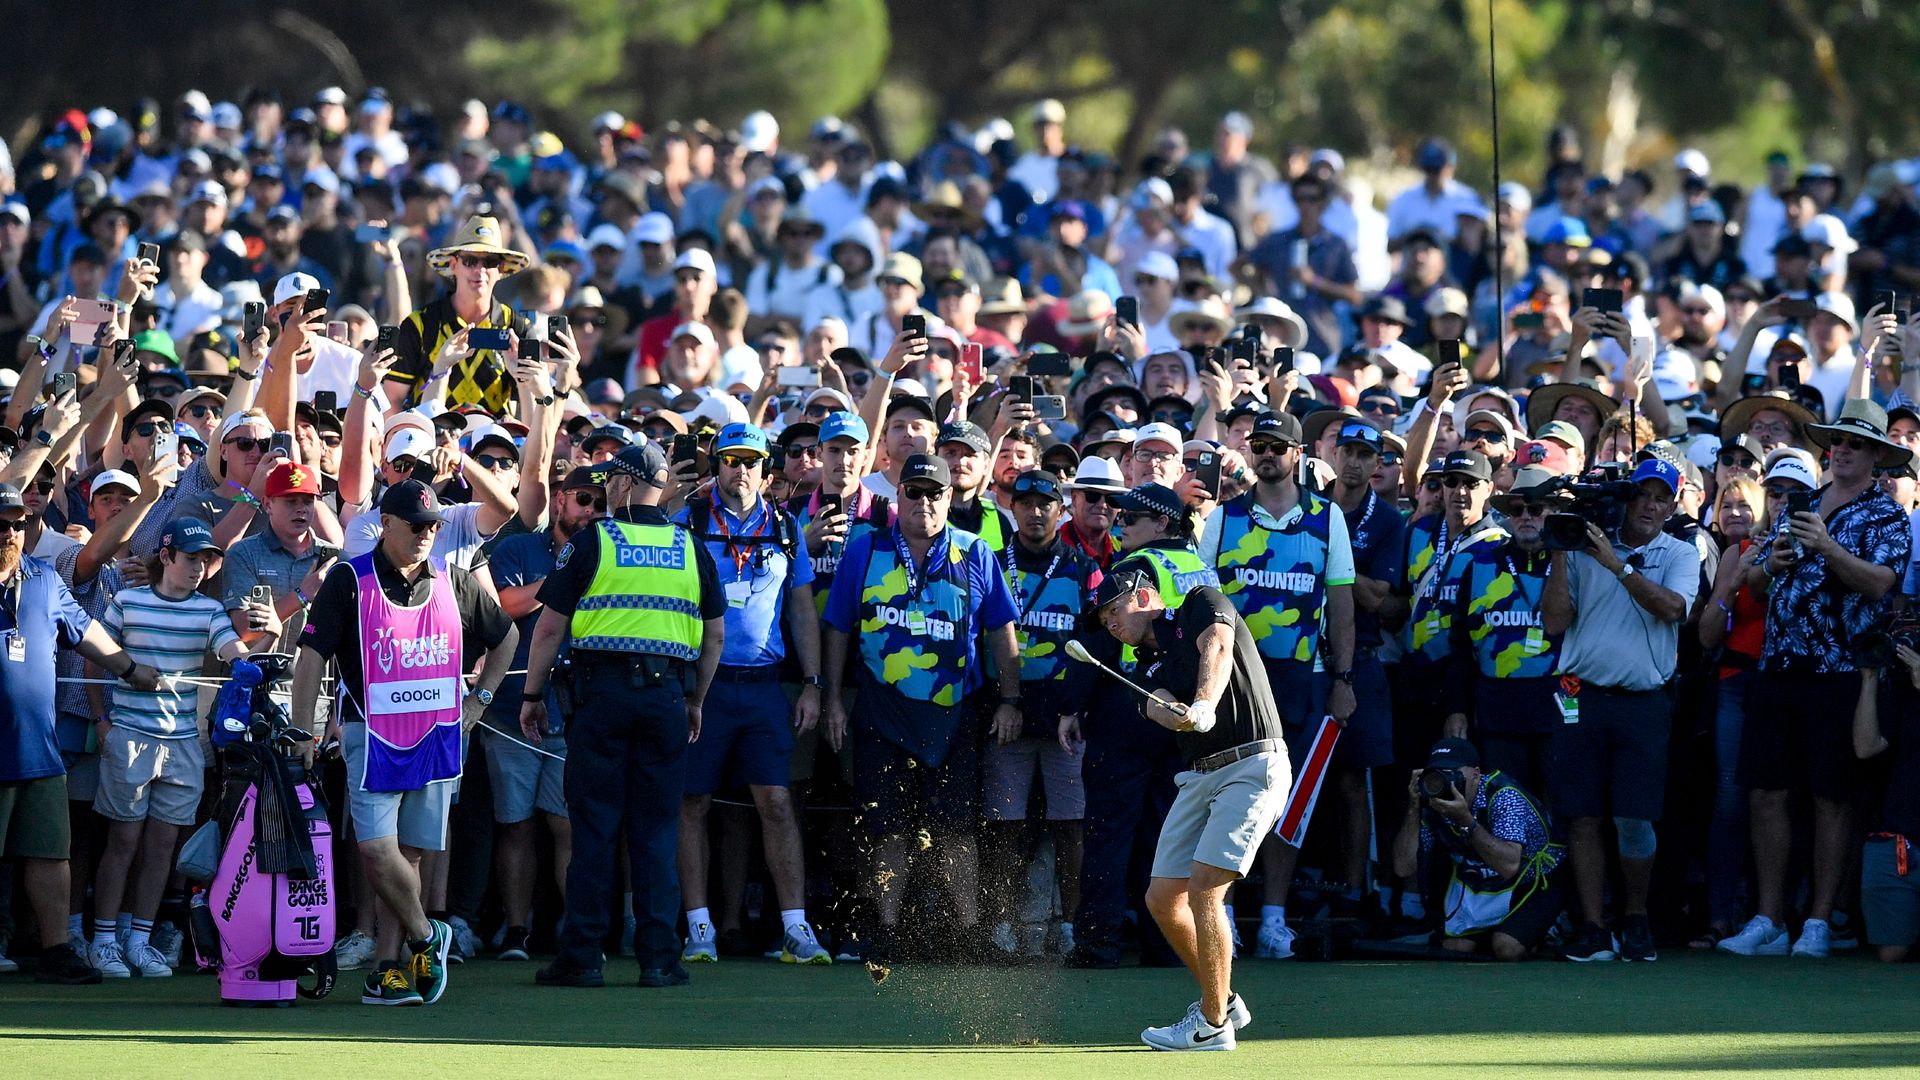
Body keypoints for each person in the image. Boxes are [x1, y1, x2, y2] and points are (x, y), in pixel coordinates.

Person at [291, 480, 518, 1006]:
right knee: (376, 849)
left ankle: (385, 970)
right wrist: (303, 729)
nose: (425, 534)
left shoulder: (453, 580)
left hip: (436, 736)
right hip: (371, 737)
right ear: (386, 524)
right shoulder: (349, 577)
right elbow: (311, 656)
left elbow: (506, 635)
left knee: (409, 856)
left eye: (433, 526)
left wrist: (480, 701)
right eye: (415, 525)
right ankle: (426, 934)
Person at [518, 442, 725, 989]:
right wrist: (695, 700)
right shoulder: (690, 546)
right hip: (665, 700)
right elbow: (714, 635)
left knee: (593, 829)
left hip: (602, 698)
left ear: (627, 484)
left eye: (611, 479)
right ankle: (659, 959)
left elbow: (549, 627)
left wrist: (532, 695)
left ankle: (583, 957)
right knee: (656, 832)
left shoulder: (594, 541)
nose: (605, 488)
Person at [1723, 399, 1912, 958]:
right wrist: (1768, 566)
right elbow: (1759, 588)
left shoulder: (1887, 515)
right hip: (1780, 665)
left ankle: (1819, 921)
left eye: (1857, 443)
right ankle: (1768, 918)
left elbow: (1880, 584)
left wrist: (1827, 546)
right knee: (1766, 793)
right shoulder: (1800, 503)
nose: (1844, 449)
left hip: (1841, 672)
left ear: (1877, 455)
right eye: (1839, 441)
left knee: (1834, 799)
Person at [820, 453, 1020, 969]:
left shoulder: (975, 551)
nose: (924, 502)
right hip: (879, 711)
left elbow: (1001, 630)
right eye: (914, 491)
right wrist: (831, 699)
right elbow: (838, 627)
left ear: (950, 498)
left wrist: (1010, 700)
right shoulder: (866, 549)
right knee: (885, 827)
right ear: (898, 495)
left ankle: (968, 934)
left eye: (935, 493)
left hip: (954, 713)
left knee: (956, 829)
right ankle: (883, 931)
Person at [1091, 564, 1289, 1052]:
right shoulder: (1142, 667)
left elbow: (1217, 647)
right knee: (1162, 898)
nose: (1110, 623)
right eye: (1103, 620)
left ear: (1144, 597)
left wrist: (1203, 703)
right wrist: (1178, 716)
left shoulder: (1201, 601)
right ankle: (1225, 999)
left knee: (1205, 889)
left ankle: (1213, 1024)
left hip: (1252, 764)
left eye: (1114, 610)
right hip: (1198, 777)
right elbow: (1157, 706)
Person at [1197, 411, 1357, 959]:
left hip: (1302, 679)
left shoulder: (1327, 517)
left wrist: (1343, 678)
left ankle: (1273, 917)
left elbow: (1342, 606)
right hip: (1235, 682)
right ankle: (1224, 916)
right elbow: (1202, 602)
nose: (1267, 454)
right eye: (1259, 445)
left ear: (1298, 454)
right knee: (1229, 800)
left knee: (1289, 803)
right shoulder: (1224, 518)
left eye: (1277, 446)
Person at [671, 423, 832, 966]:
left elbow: (802, 610)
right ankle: (699, 927)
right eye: (731, 460)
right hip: (704, 686)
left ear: (767, 470)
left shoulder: (786, 526)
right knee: (692, 803)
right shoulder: (689, 520)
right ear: (716, 464)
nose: (740, 470)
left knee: (777, 803)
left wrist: (812, 683)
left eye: (751, 461)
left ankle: (795, 928)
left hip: (764, 685)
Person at [0, 482, 161, 985]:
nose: (9, 532)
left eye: (17, 523)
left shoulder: (44, 579)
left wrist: (131, 668)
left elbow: (86, 631)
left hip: (38, 750)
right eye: (0, 524)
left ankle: (56, 951)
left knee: (52, 854)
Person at [1541, 458, 1700, 963]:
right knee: (1582, 814)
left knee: (1635, 819)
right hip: (1579, 695)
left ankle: (1635, 916)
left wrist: (1618, 565)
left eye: (1661, 498)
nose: (1650, 506)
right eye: (1642, 496)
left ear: (1672, 507)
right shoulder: (1583, 548)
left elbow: (1674, 609)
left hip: (1643, 701)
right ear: (1626, 500)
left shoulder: (1680, 551)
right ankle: (1592, 926)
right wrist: (1562, 551)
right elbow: (1553, 623)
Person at [88, 518, 250, 978]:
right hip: (130, 738)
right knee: (122, 842)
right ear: (166, 556)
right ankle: (104, 940)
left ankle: (139, 939)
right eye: (191, 558)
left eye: (205, 559)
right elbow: (95, 656)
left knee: (162, 848)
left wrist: (245, 662)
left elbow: (230, 647)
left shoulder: (209, 610)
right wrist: (101, 721)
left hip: (182, 744)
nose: (199, 567)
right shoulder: (128, 601)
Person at [477, 466, 605, 962]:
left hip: (575, 713)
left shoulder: (608, 551)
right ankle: (516, 931)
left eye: (599, 502)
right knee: (516, 825)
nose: (591, 510)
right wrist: (564, 577)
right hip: (511, 713)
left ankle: (576, 933)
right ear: (560, 499)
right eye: (583, 499)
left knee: (568, 827)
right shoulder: (517, 548)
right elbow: (501, 608)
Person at [983, 470, 1098, 957]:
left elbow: (1097, 642)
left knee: (1070, 824)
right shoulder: (990, 562)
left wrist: (1076, 707)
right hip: (1005, 715)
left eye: (1044, 504)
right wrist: (1002, 702)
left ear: (1061, 510)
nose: (1034, 512)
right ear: (1011, 508)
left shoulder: (1084, 568)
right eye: (1025, 503)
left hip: (1065, 720)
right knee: (1003, 823)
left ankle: (1068, 924)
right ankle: (1001, 925)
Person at [1448, 466, 1568, 796]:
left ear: (1554, 512)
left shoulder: (1572, 564)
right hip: (1498, 715)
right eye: (1517, 509)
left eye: (1535, 508)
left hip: (1558, 714)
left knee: (1560, 813)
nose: (1526, 516)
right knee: (1505, 809)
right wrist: (1457, 709)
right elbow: (1460, 647)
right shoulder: (1480, 565)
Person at [1389, 738, 1565, 960]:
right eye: (1438, 774)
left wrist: (1466, 821)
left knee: (1506, 948)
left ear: (1475, 775)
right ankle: (1499, 931)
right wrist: (1414, 807)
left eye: (1452, 773)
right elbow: (1403, 868)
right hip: (1480, 879)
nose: (1445, 782)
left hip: (1533, 878)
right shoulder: (1432, 803)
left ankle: (1545, 928)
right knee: (1454, 949)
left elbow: (1510, 866)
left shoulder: (1502, 795)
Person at [382, 215, 533, 415]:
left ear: (501, 268)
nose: (480, 269)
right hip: (432, 433)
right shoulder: (420, 324)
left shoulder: (518, 328)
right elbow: (393, 398)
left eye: (490, 262)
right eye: (470, 261)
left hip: (495, 435)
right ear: (454, 265)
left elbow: (532, 406)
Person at [1852, 642, 1920, 963]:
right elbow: (1866, 747)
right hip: (1901, 843)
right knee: (1892, 951)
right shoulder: (1902, 693)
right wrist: (1869, 676)